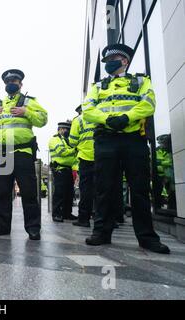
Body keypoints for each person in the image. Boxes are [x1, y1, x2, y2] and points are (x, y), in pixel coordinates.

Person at [82, 44, 170, 254]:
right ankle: (101, 232)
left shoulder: (141, 81)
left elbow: (148, 104)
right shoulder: (98, 86)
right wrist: (109, 119)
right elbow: (87, 110)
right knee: (104, 188)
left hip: (133, 140)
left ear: (124, 61)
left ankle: (147, 237)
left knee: (139, 189)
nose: (108, 64)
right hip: (106, 140)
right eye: (106, 61)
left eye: (112, 59)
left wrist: (126, 117)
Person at [0, 69, 48, 240]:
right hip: (3, 153)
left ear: (21, 84)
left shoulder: (28, 101)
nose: (10, 84)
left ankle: (33, 228)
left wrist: (26, 112)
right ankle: (2, 226)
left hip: (22, 151)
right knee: (3, 193)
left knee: (28, 193)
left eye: (14, 81)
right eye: (7, 82)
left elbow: (43, 119)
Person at [69, 106, 96, 227]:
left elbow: (73, 141)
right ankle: (106, 218)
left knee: (86, 190)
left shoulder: (79, 120)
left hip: (86, 157)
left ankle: (84, 219)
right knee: (103, 189)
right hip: (102, 156)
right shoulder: (100, 115)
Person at [49, 122, 77, 223]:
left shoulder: (67, 140)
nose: (68, 132)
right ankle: (56, 214)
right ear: (60, 129)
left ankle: (67, 213)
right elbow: (62, 152)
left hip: (68, 169)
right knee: (59, 193)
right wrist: (75, 150)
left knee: (69, 193)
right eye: (66, 130)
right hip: (59, 169)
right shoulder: (55, 139)